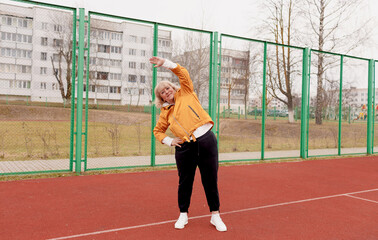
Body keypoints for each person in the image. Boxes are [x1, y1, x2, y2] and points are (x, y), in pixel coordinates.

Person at [150, 56, 227, 232]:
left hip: (206, 141)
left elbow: (183, 73)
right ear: (160, 97)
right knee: (185, 181)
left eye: (168, 87)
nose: (167, 91)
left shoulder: (186, 91)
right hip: (185, 148)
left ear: (173, 87)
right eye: (163, 91)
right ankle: (183, 214)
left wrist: (167, 64)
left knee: (210, 180)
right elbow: (157, 131)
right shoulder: (165, 113)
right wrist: (169, 141)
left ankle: (215, 215)